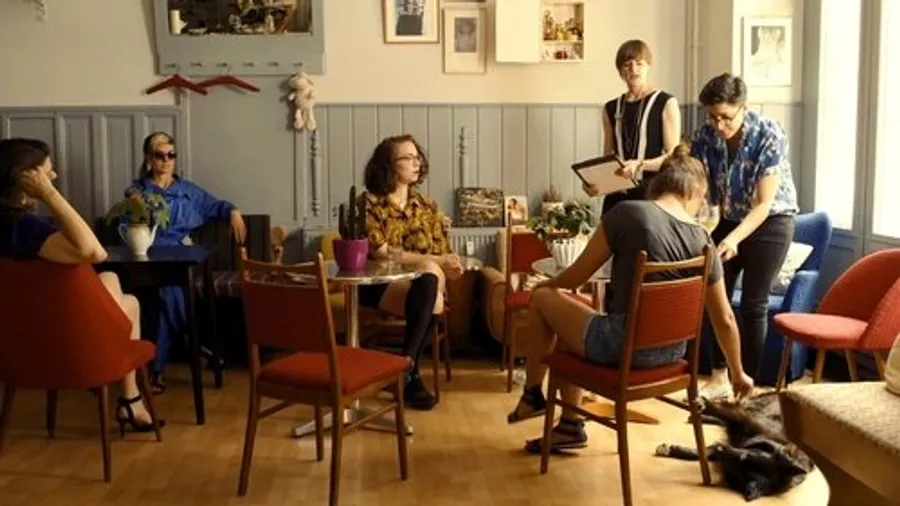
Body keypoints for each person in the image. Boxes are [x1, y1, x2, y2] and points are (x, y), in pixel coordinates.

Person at [506, 144, 754, 453]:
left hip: (620, 347)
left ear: (659, 185)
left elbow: (575, 278)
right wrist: (738, 372)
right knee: (571, 321)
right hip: (672, 355)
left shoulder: (627, 213)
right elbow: (725, 319)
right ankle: (569, 427)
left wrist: (546, 284)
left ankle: (532, 395)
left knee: (543, 298)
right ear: (696, 192)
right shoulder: (704, 240)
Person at [0, 137, 165, 433]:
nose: (54, 177)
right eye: (47, 174)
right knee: (128, 301)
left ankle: (130, 400)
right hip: (68, 347)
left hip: (15, 349)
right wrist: (49, 195)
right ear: (26, 180)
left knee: (110, 280)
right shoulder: (27, 230)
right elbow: (94, 252)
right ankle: (130, 398)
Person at [690, 73, 798, 398]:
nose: (719, 125)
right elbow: (697, 186)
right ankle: (720, 376)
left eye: (726, 117)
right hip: (728, 218)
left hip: (772, 222)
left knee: (753, 303)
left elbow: (763, 204)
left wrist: (734, 239)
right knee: (713, 295)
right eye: (712, 117)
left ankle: (746, 387)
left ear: (744, 107)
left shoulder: (769, 133)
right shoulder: (705, 135)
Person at [126, 132, 246, 393]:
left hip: (182, 259)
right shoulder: (138, 193)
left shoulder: (188, 191)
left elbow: (217, 205)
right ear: (148, 159)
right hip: (148, 260)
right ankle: (197, 347)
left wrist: (233, 211)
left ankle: (157, 370)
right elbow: (128, 225)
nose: (166, 160)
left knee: (166, 293)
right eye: (160, 155)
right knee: (165, 293)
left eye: (171, 155)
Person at [360, 134, 465, 410]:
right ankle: (410, 371)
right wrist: (434, 261)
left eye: (417, 157)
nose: (416, 163)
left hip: (424, 285)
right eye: (407, 158)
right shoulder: (370, 203)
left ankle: (405, 370)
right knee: (433, 288)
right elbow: (382, 253)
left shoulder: (427, 206)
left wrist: (450, 266)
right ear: (388, 165)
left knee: (430, 280)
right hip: (379, 284)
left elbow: (442, 251)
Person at [583, 39, 682, 216]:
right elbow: (608, 157)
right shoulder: (610, 108)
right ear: (620, 70)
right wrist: (596, 184)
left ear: (648, 65)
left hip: (653, 195)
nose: (633, 70)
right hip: (617, 196)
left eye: (639, 64)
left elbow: (673, 157)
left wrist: (639, 165)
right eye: (627, 65)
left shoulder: (665, 102)